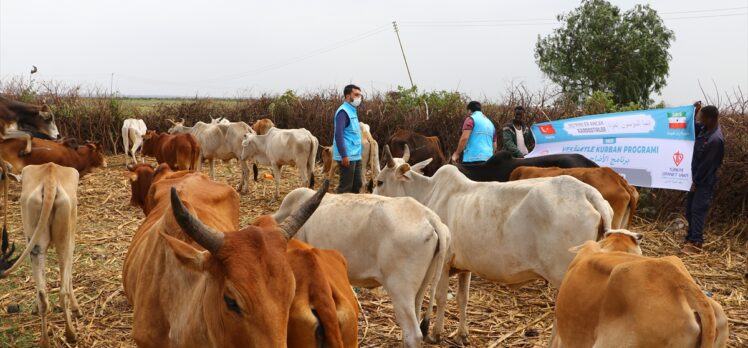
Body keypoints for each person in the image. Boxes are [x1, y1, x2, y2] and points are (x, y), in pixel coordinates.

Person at [682, 103, 725, 254]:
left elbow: (707, 166)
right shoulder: (704, 129)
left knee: (698, 210)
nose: (700, 121)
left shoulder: (715, 140)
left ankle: (696, 243)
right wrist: (693, 111)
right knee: (689, 210)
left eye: (702, 118)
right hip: (696, 179)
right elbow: (692, 126)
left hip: (704, 182)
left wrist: (696, 182)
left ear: (711, 119)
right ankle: (689, 237)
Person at [332, 84, 364, 193]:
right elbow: (338, 135)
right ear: (347, 96)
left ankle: (353, 208)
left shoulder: (352, 110)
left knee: (357, 185)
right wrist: (344, 155)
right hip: (347, 156)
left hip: (355, 155)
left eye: (360, 95)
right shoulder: (343, 112)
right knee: (346, 187)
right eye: (356, 95)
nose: (358, 98)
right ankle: (339, 209)